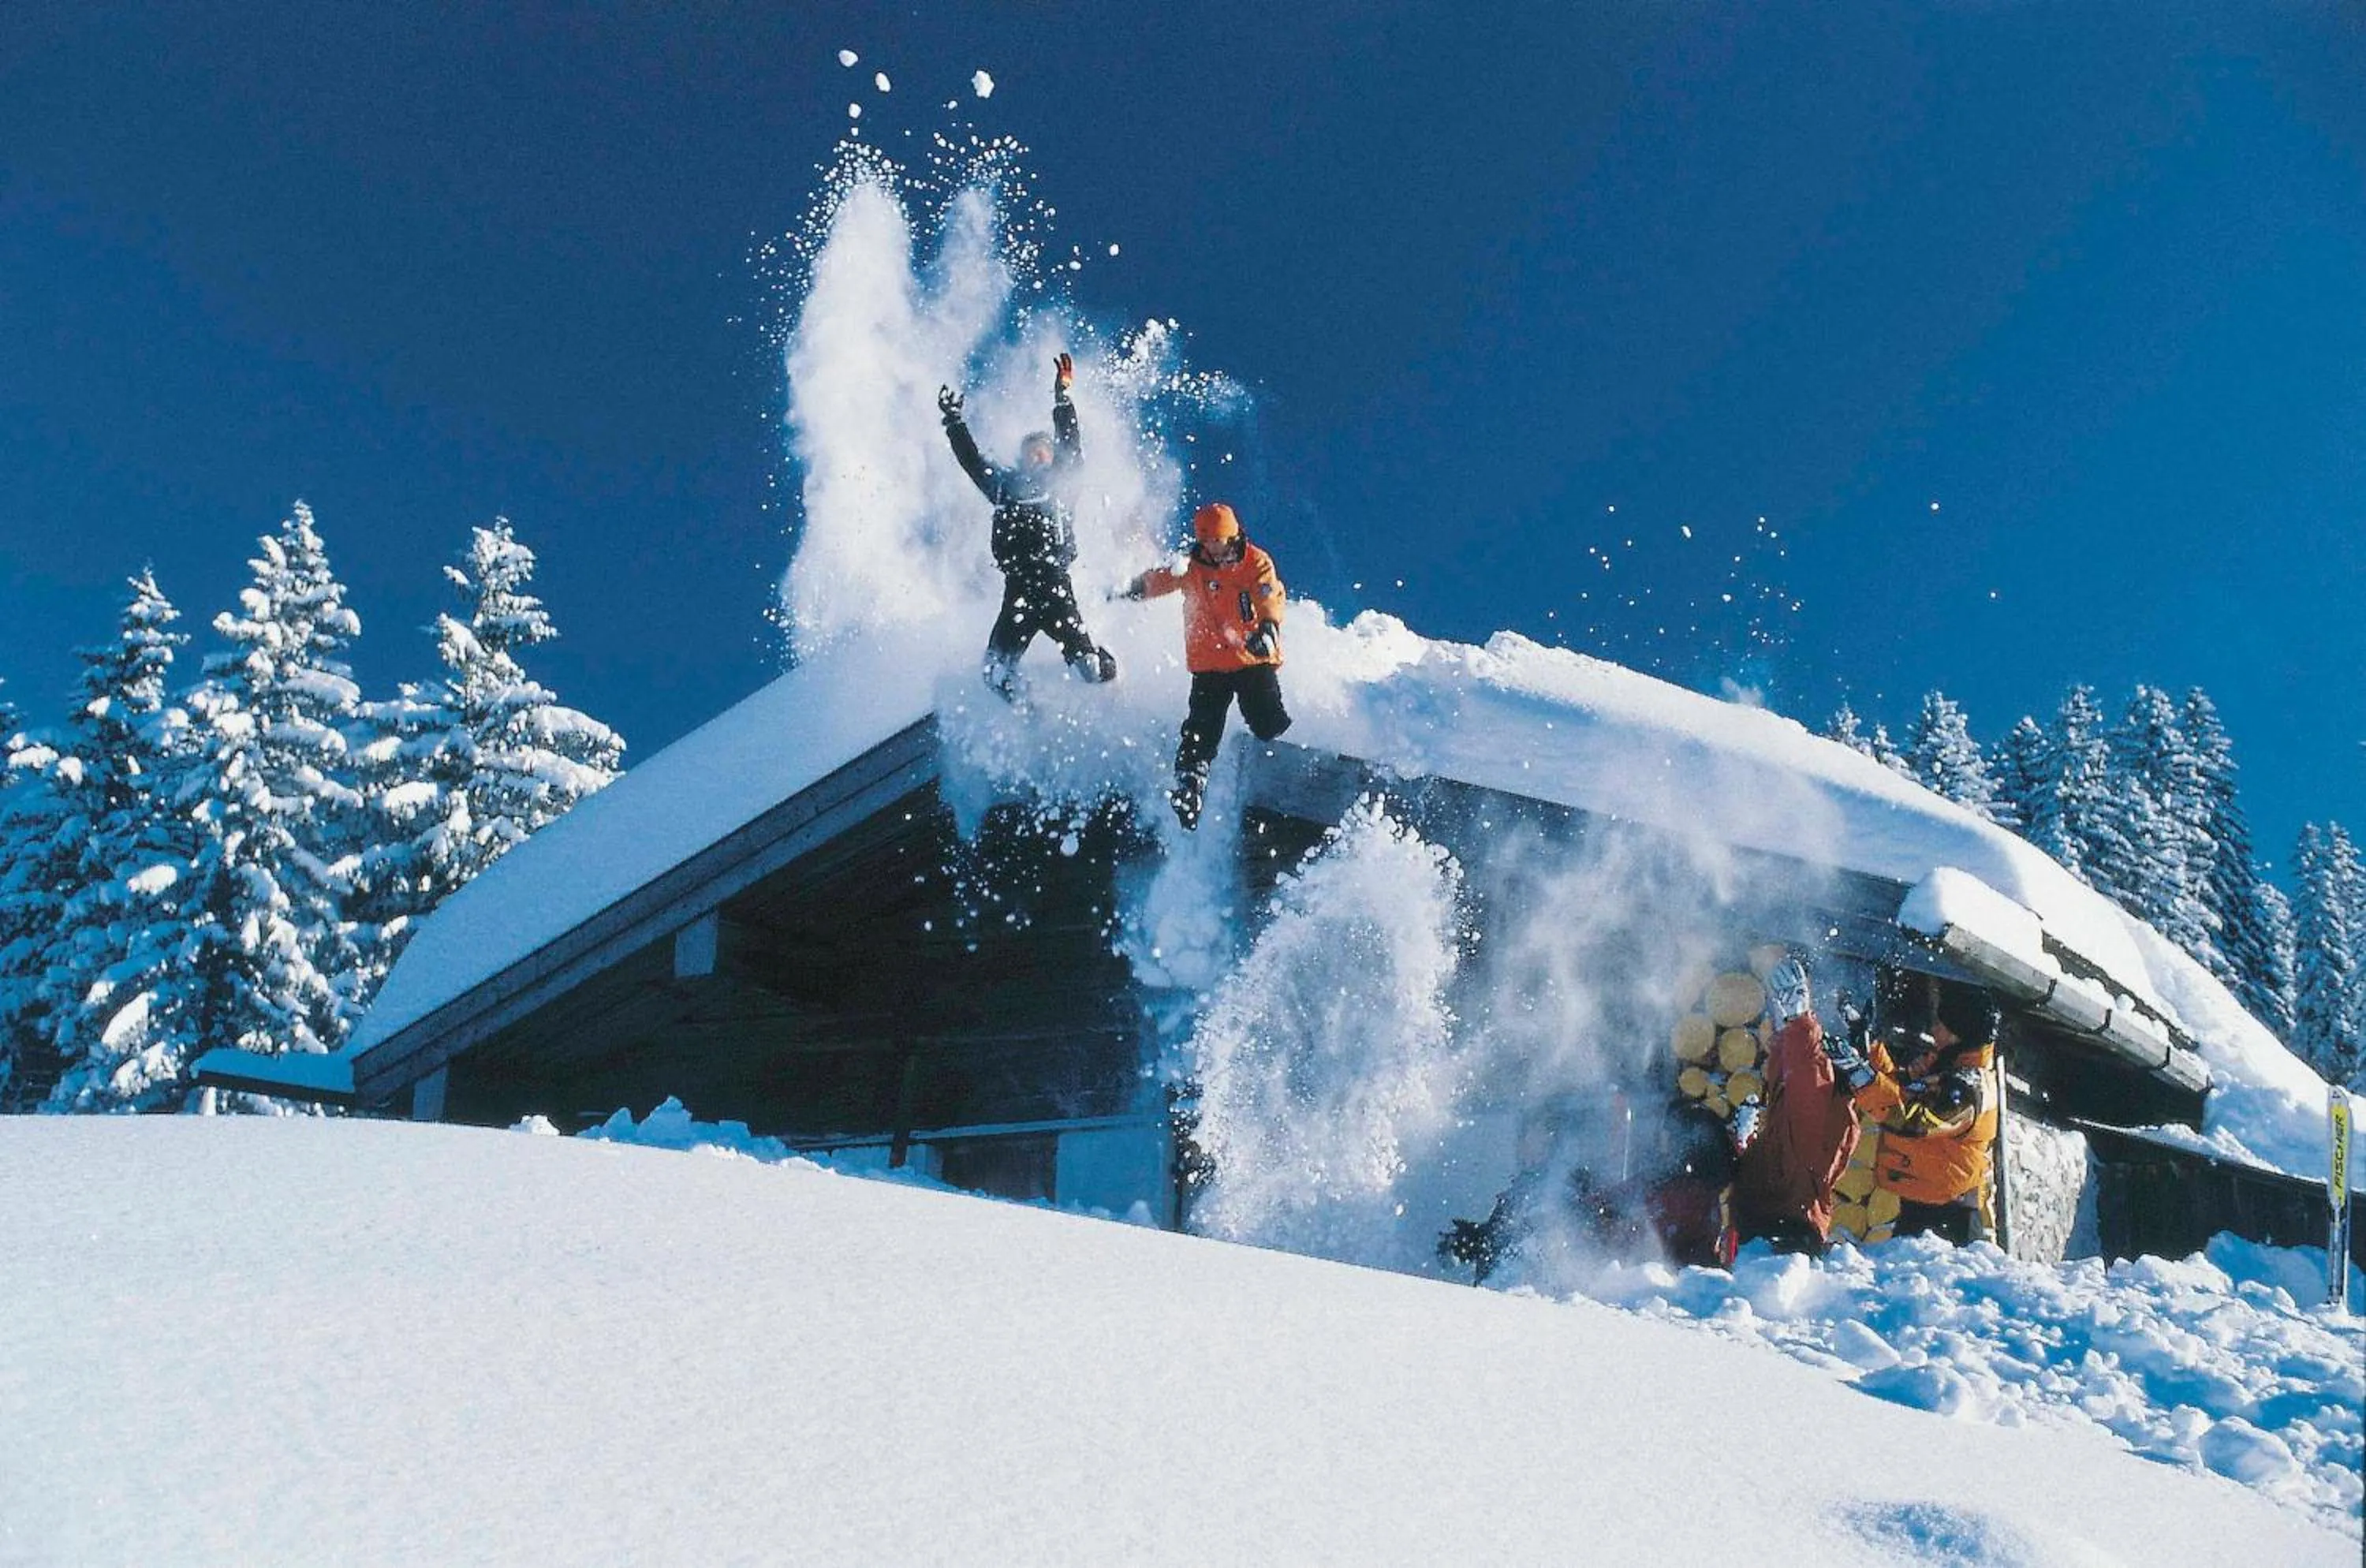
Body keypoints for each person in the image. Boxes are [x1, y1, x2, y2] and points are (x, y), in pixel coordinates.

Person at [938, 352, 1117, 700]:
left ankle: (1110, 676)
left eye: (1043, 451)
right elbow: (973, 463)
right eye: (1031, 451)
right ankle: (1030, 714)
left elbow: (1071, 444)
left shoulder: (1063, 484)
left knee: (1091, 670)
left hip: (1053, 585)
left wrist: (1063, 399)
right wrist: (954, 423)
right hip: (1018, 587)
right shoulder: (1005, 488)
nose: (1038, 456)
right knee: (993, 673)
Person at [1117, 501, 1289, 829]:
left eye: (1219, 541)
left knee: (1266, 721)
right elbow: (1160, 580)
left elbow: (1269, 594)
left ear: (1233, 536)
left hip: (1250, 657)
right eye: (1207, 541)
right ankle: (1190, 782)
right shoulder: (1192, 567)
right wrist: (1129, 589)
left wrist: (1268, 627)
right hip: (1209, 662)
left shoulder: (1255, 562)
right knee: (1201, 726)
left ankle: (1279, 751)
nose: (1213, 548)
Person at [1825, 976, 2002, 1244]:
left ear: (1959, 1033)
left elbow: (1913, 1121)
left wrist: (1863, 1078)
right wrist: (1870, 1048)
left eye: (1940, 1024)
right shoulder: (1942, 1064)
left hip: (1952, 1222)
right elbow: (1900, 1088)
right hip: (1917, 1208)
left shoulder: (1968, 1089)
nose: (1933, 1028)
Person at [1730, 952, 1862, 1253]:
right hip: (1773, 1222)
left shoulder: (1819, 1103)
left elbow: (1807, 1072)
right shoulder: (1801, 1103)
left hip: (1787, 1231)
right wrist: (1744, 1144)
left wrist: (1800, 1020)